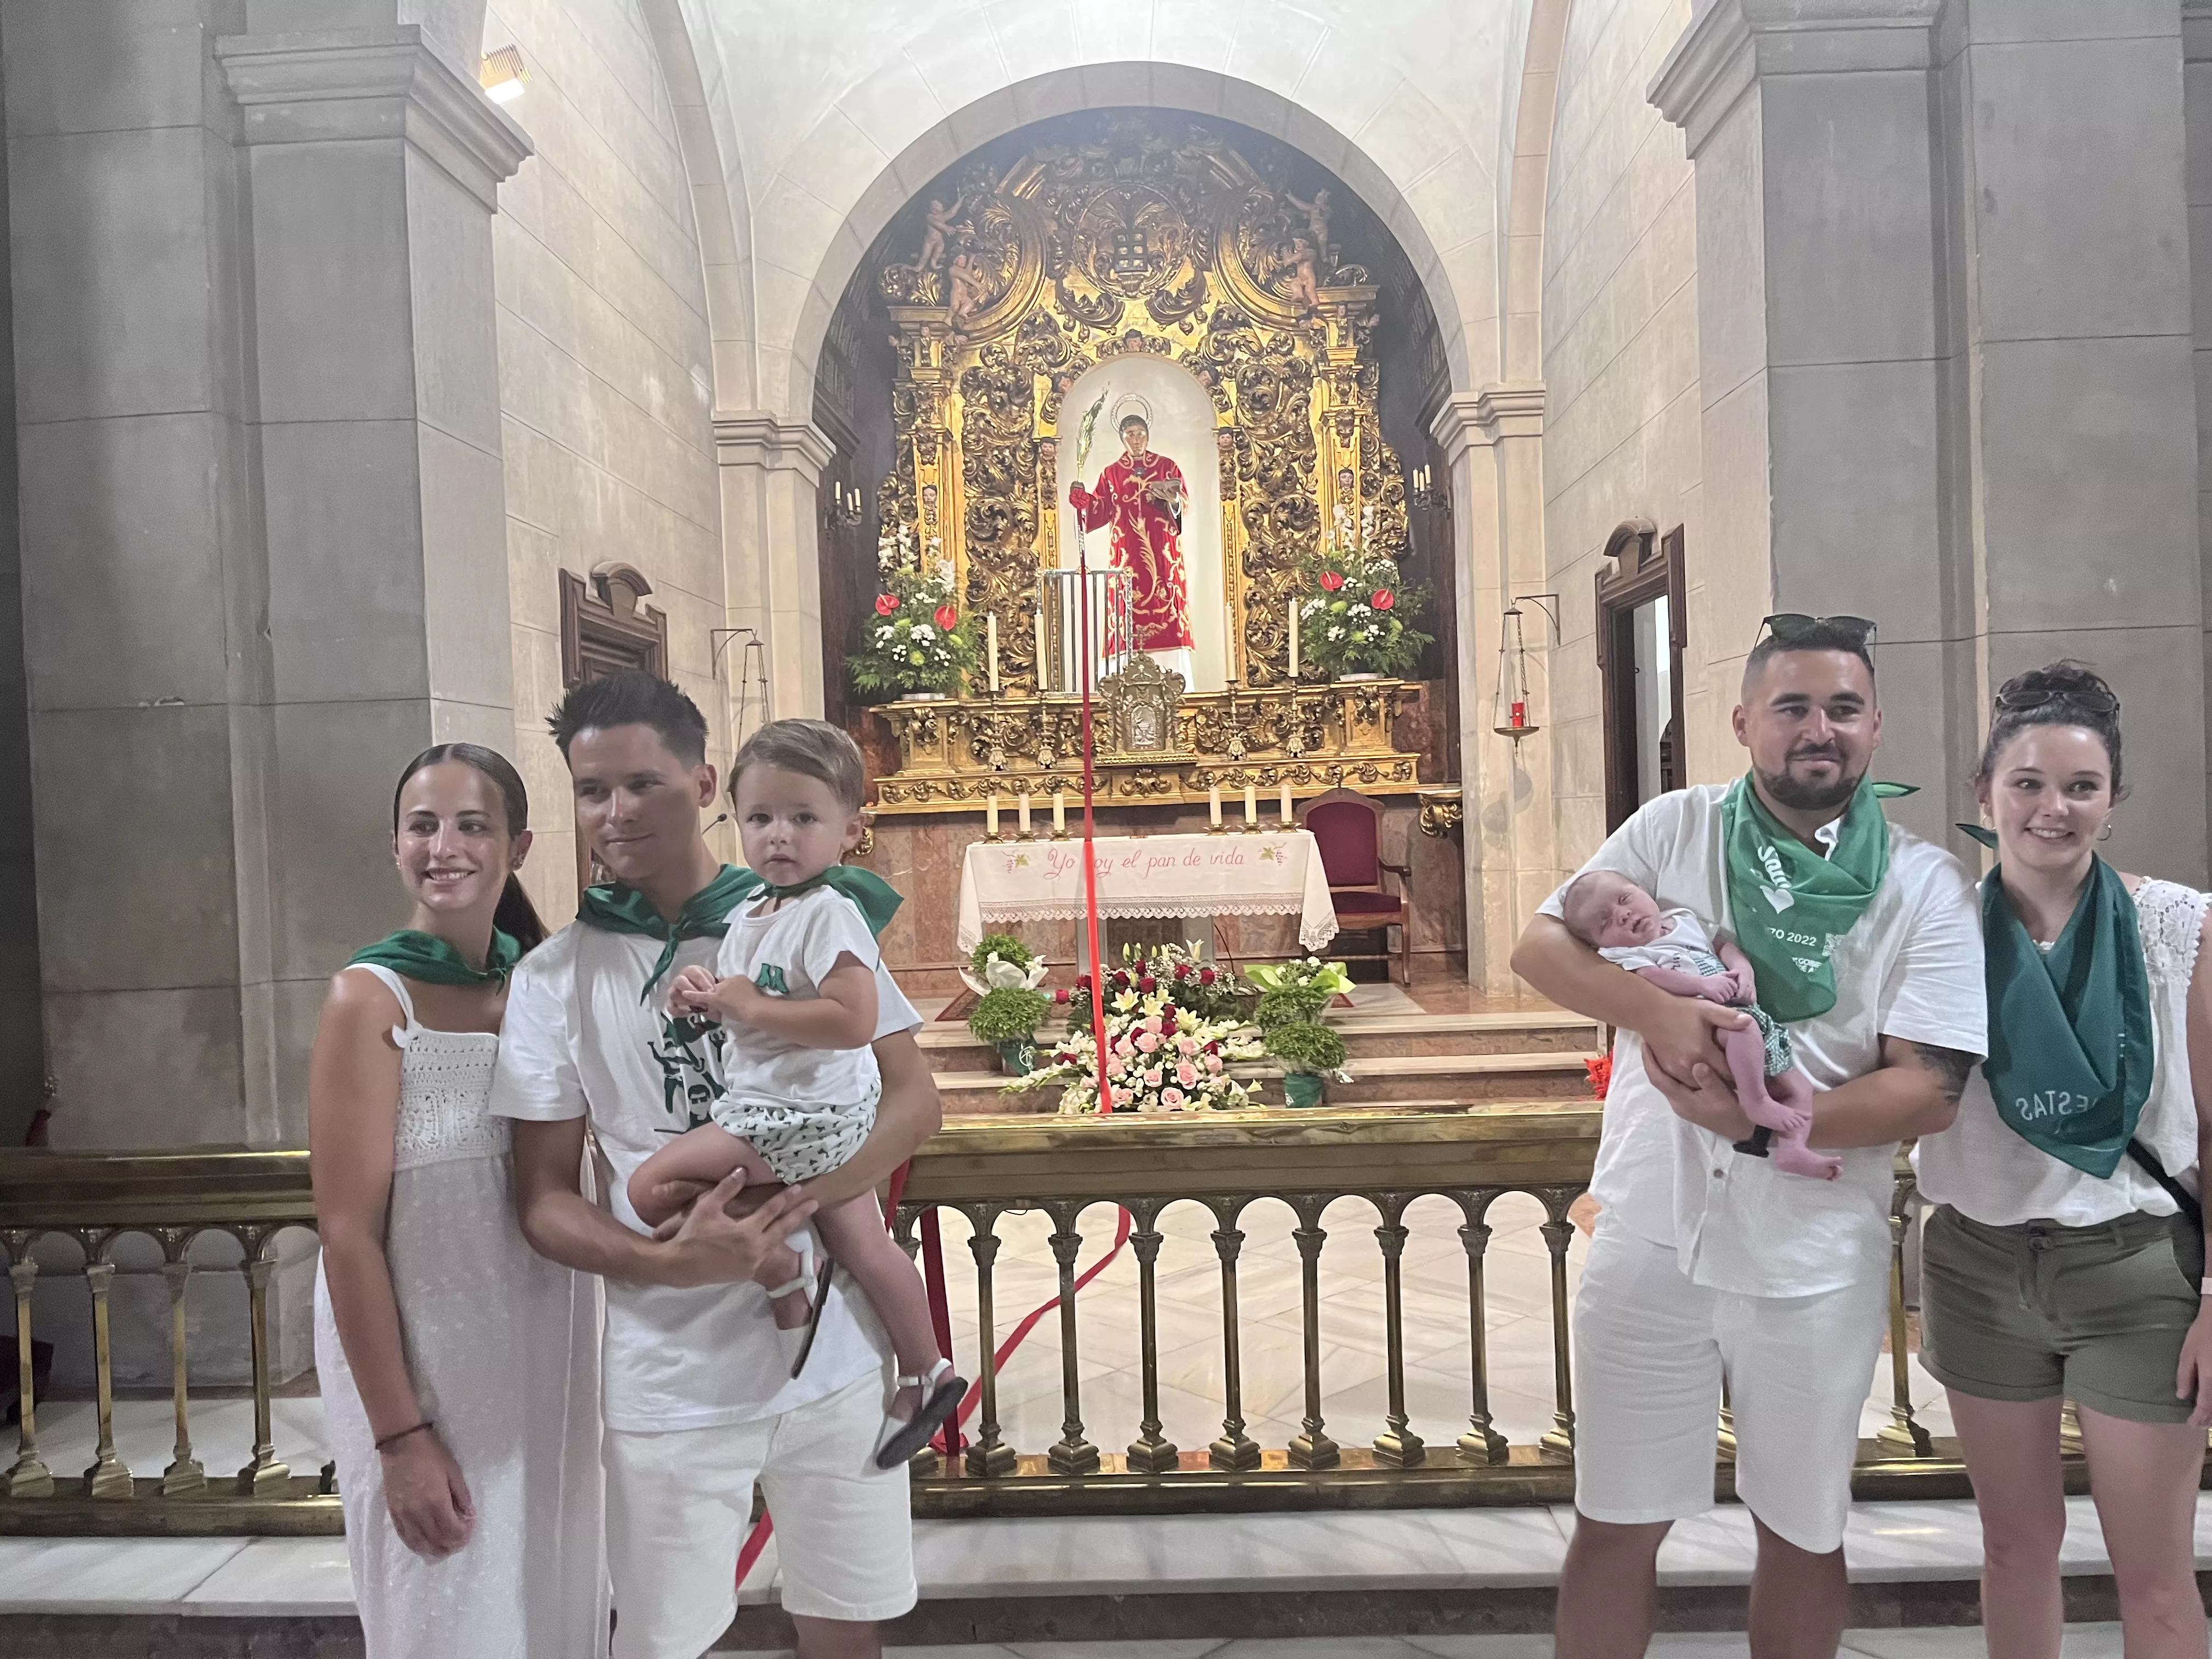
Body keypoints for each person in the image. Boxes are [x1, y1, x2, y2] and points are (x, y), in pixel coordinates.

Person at [1511, 614, 1985, 1659]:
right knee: (1614, 1518)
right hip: (1651, 1227)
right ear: (1742, 722)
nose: (1819, 728)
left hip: (1811, 1250)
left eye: (1843, 708)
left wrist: (1762, 1126)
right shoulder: (1675, 826)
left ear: (1873, 724)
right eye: (1792, 706)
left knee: (1804, 1527)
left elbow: (1929, 1088)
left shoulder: (1923, 886)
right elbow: (1539, 945)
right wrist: (1660, 1014)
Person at [492, 672, 942, 1659]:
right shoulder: (553, 977)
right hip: (669, 1375)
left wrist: (807, 1198)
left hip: (833, 1356)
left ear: (703, 783)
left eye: (642, 782)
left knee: (844, 1620)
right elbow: (542, 1199)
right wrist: (668, 1261)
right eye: (591, 788)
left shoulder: (803, 914)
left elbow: (915, 1098)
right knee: (666, 1639)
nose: (615, 812)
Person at [1914, 663, 2212, 1659]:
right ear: (1983, 793)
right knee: (2013, 1547)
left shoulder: (2178, 926)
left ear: (2113, 803)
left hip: (2134, 1267)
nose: (2053, 808)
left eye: (2080, 786)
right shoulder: (1934, 929)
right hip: (1977, 1263)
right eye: (2028, 783)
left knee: (2156, 1575)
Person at [309, 743, 607, 1658]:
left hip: (545, 1358)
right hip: (428, 1375)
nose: (446, 845)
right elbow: (348, 1235)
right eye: (423, 824)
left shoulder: (543, 988)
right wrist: (401, 1435)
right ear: (395, 843)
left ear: (517, 843)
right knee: (451, 1618)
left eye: (472, 824)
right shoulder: (370, 997)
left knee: (551, 1606)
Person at [631, 719, 963, 1467]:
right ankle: (928, 1369)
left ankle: (782, 1267)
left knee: (652, 1188)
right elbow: (750, 996)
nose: (778, 836)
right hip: (800, 1113)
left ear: (851, 830)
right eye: (761, 819)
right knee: (867, 1247)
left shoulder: (828, 911)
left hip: (793, 1116)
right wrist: (707, 993)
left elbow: (853, 1020)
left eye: (803, 818)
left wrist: (746, 1007)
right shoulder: (757, 911)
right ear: (735, 818)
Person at [1559, 868, 1838, 1182]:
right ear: (1599, 945)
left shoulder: (1683, 920)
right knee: (1742, 1029)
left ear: (1642, 890)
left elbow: (1723, 946)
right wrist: (1701, 986)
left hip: (1747, 1015)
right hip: (1710, 1026)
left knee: (1798, 1086)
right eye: (1605, 922)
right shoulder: (1629, 954)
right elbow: (1653, 977)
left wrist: (1743, 970)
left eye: (1625, 899)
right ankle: (1755, 1101)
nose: (1623, 915)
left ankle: (1794, 1150)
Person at [1068, 413, 1194, 657]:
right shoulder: (1112, 473)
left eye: (1140, 434)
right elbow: (1099, 510)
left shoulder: (1166, 467)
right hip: (1126, 557)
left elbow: (1183, 506)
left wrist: (1174, 499)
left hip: (1163, 556)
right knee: (1126, 603)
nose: (1136, 440)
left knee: (1166, 599)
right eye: (1130, 435)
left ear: (1148, 436)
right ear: (1122, 439)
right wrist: (1084, 502)